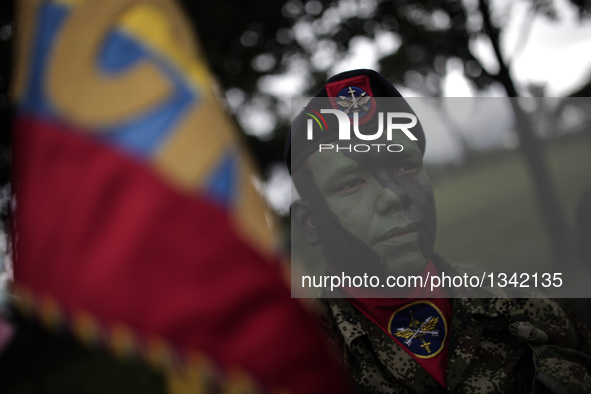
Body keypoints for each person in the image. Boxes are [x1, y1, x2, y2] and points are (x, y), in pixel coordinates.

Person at [287, 69, 591, 393]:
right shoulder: (295, 361)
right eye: (351, 183)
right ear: (310, 222)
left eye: (405, 166)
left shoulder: (517, 305)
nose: (394, 196)